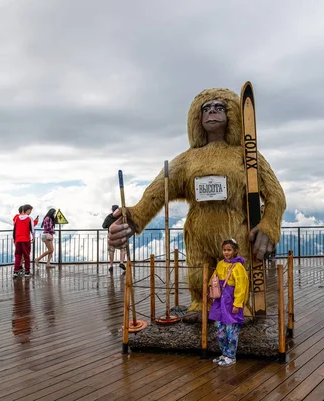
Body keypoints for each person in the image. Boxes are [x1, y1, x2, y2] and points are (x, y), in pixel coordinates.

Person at [108, 88, 286, 314]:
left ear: (231, 114)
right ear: (197, 118)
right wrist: (132, 218)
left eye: (219, 107)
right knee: (197, 274)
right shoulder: (187, 160)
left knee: (235, 275)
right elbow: (156, 191)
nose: (212, 111)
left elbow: (275, 194)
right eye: (206, 108)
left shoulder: (247, 155)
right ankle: (201, 304)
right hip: (197, 236)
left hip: (236, 232)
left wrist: (268, 226)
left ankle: (238, 307)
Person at [209, 239, 249, 367]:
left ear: (235, 251)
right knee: (220, 331)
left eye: (229, 250)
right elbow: (214, 277)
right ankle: (224, 353)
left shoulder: (238, 267)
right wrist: (211, 287)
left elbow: (241, 286)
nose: (226, 252)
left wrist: (237, 304)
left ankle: (231, 356)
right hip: (220, 301)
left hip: (230, 302)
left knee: (232, 331)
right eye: (224, 250)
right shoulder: (220, 264)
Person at [13, 204, 35, 278]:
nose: (31, 211)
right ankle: (27, 271)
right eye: (30, 210)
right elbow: (32, 229)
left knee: (17, 255)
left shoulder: (17, 218)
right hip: (26, 239)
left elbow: (14, 229)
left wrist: (14, 239)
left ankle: (15, 271)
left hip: (18, 239)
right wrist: (33, 237)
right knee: (26, 255)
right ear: (27, 210)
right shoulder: (29, 218)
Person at [102, 205, 126, 273]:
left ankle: (111, 266)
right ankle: (121, 262)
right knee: (123, 249)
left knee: (111, 251)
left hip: (111, 236)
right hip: (120, 236)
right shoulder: (122, 216)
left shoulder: (109, 217)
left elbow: (103, 226)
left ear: (112, 210)